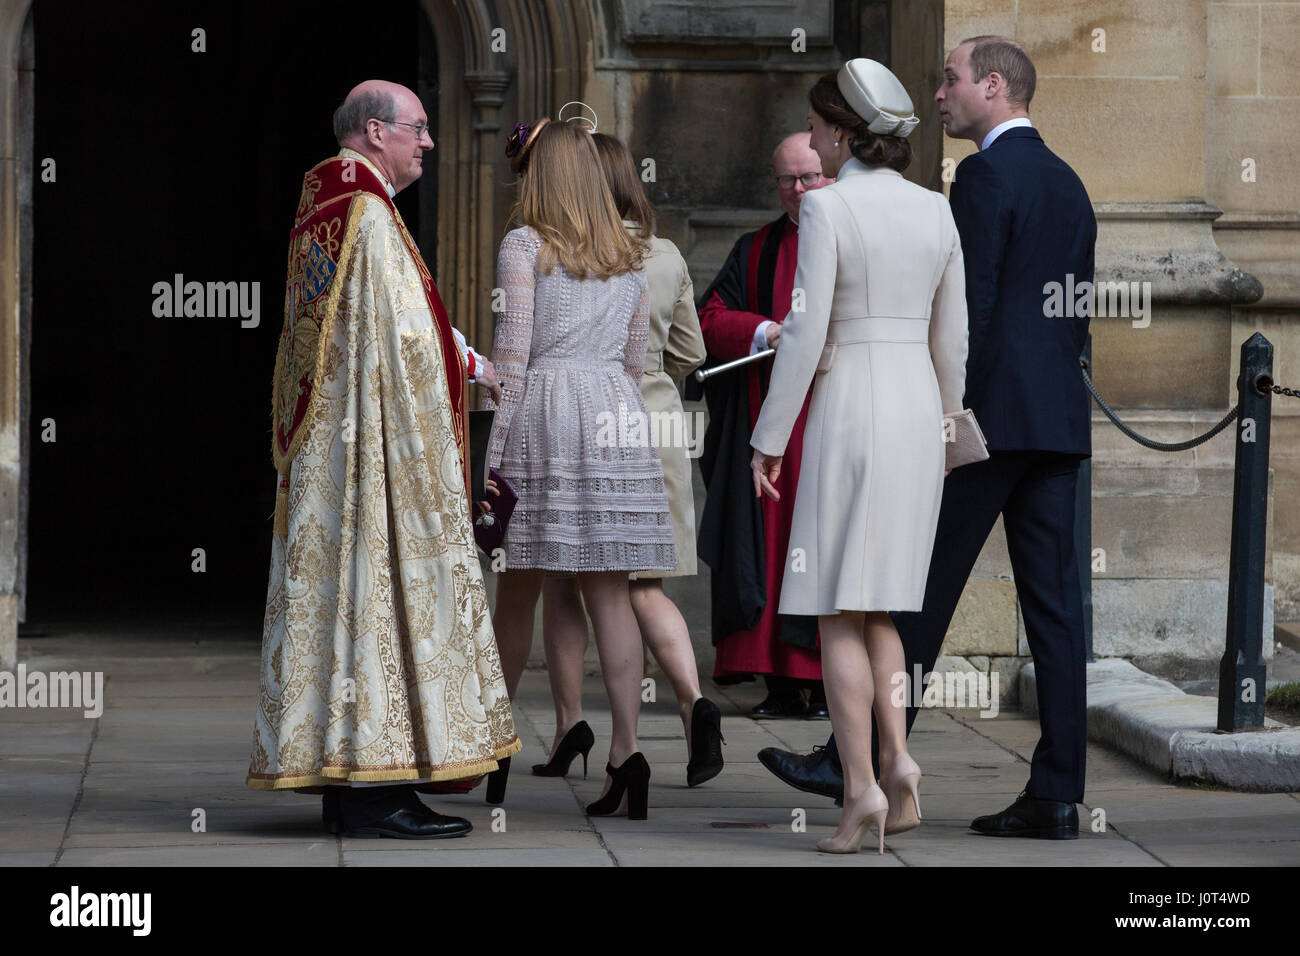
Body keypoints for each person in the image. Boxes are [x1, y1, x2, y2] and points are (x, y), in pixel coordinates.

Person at [759, 36, 1096, 841]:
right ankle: (1057, 792)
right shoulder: (1068, 180)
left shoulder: (979, 177)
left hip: (978, 420)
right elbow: (1071, 305)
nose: (939, 94)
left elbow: (968, 313)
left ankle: (862, 763)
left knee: (899, 594)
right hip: (1055, 421)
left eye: (951, 79)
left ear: (993, 86)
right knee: (1056, 612)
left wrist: (948, 418)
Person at [247, 80, 522, 839]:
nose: (428, 141)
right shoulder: (366, 213)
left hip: (332, 452)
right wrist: (469, 368)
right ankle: (376, 791)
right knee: (378, 594)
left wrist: (463, 357)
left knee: (345, 601)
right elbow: (405, 340)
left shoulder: (325, 202)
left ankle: (350, 789)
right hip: (370, 450)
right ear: (375, 132)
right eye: (418, 128)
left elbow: (398, 320)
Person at [749, 59, 968, 853]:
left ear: (843, 133)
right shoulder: (936, 209)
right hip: (915, 413)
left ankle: (860, 791)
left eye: (816, 127)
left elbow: (805, 331)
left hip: (850, 412)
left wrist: (768, 436)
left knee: (835, 608)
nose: (811, 142)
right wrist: (948, 424)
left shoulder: (827, 208)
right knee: (881, 607)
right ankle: (898, 759)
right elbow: (954, 338)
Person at [482, 119, 675, 820]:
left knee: (516, 589)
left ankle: (489, 743)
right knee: (611, 593)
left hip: (548, 413)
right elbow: (633, 360)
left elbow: (512, 357)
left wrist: (491, 457)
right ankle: (628, 754)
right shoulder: (629, 254)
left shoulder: (524, 245)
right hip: (616, 414)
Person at [535, 132, 723, 789]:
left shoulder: (563, 248)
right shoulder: (665, 253)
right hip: (658, 423)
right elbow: (692, 353)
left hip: (586, 429)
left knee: (565, 581)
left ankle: (570, 726)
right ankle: (692, 701)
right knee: (644, 585)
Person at [695, 133, 834, 721]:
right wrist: (765, 331)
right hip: (769, 424)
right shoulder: (755, 250)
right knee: (772, 551)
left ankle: (826, 686)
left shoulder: (857, 237)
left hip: (834, 420)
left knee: (829, 550)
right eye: (787, 179)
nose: (798, 190)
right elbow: (708, 319)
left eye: (810, 177)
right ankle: (779, 682)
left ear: (832, 172)